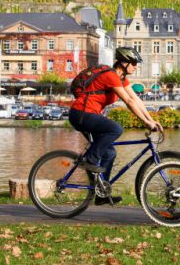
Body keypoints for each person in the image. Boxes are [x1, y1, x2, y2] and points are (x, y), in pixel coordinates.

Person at [69, 47, 162, 205]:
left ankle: (101, 194)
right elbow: (129, 102)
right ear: (123, 63)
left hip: (90, 115)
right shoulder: (111, 76)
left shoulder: (121, 79)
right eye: (133, 63)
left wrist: (151, 119)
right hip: (81, 114)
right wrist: (145, 123)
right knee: (116, 129)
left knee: (110, 153)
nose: (135, 66)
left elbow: (136, 99)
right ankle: (90, 158)